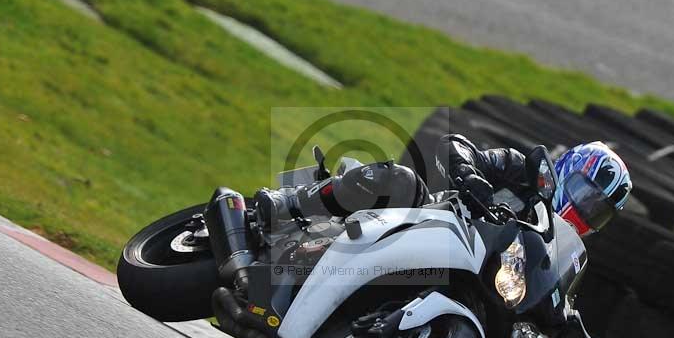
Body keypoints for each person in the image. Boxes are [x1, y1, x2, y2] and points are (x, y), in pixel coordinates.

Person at [255, 134, 632, 236]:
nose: (584, 211)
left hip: (462, 269)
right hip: (426, 220)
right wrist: (472, 179)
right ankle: (289, 202)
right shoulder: (520, 168)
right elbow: (455, 146)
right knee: (401, 179)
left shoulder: (555, 247)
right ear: (569, 170)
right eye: (586, 196)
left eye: (597, 212)